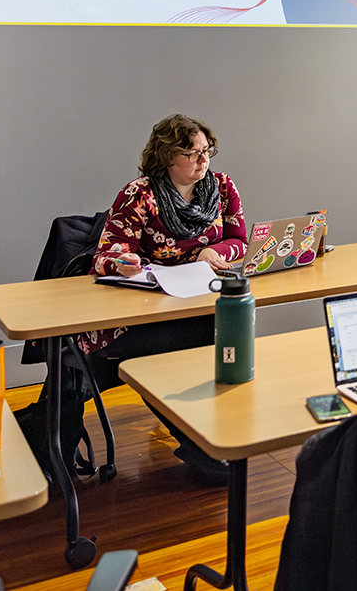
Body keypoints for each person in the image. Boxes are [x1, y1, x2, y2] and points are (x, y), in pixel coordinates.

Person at [84, 114, 248, 480]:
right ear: (166, 158)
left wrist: (213, 251)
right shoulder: (140, 194)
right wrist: (123, 262)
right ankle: (196, 440)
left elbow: (239, 239)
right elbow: (104, 256)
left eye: (207, 151)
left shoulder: (221, 187)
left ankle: (214, 435)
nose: (203, 161)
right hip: (149, 307)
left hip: (200, 298)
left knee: (226, 335)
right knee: (167, 348)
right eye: (191, 153)